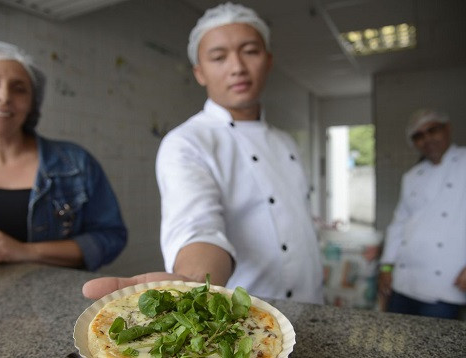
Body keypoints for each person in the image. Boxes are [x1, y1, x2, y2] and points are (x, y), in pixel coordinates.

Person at [83, 2, 324, 303]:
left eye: (250, 51)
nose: (237, 67)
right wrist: (195, 281)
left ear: (268, 60)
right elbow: (197, 225)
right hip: (249, 318)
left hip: (314, 302)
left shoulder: (287, 143)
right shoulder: (186, 141)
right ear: (200, 72)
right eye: (218, 57)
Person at [0, 41, 127, 271]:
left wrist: (26, 251)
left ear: (32, 103)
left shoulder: (75, 163)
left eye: (19, 88)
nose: (4, 96)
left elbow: (110, 237)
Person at [377, 108, 466, 319]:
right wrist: (386, 266)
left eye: (433, 130)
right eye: (418, 136)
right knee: (395, 344)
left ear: (447, 128)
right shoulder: (411, 176)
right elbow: (398, 224)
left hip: (444, 288)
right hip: (403, 282)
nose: (427, 139)